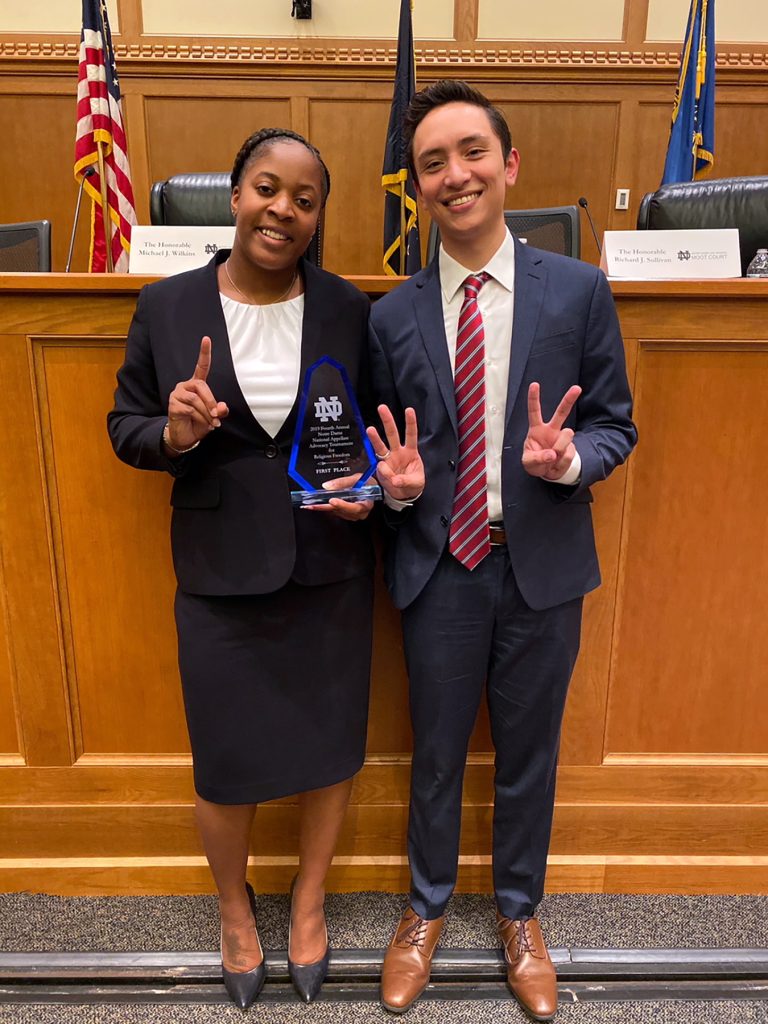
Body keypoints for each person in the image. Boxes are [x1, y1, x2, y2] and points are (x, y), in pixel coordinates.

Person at [107, 128, 423, 1009]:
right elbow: (125, 425)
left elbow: (373, 428)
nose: (283, 208)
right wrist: (171, 433)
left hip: (329, 567)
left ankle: (309, 903)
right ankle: (235, 912)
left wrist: (371, 484)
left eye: (305, 198)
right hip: (218, 570)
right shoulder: (166, 307)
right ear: (236, 196)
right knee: (225, 762)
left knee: (329, 753)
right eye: (266, 188)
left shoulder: (349, 309)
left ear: (319, 216)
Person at [368, 81, 637, 1021]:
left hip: (543, 565)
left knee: (531, 754)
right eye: (433, 162)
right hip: (440, 564)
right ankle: (426, 907)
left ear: (510, 164)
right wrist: (389, 487)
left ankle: (521, 913)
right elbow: (380, 444)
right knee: (436, 754)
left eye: (472, 152)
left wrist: (571, 461)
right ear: (418, 186)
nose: (456, 174)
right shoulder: (390, 315)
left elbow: (615, 426)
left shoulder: (579, 290)